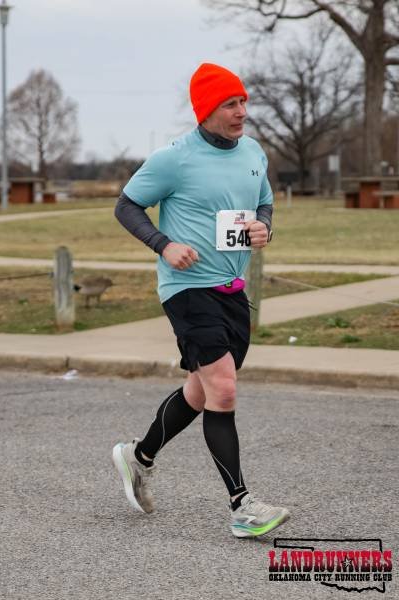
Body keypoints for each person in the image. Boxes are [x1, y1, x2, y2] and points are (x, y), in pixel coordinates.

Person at [112, 63, 290, 538]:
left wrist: (264, 227)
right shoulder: (175, 158)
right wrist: (164, 244)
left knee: (200, 390)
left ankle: (139, 457)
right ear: (207, 110)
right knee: (223, 390)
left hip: (232, 289)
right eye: (231, 104)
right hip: (187, 288)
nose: (242, 112)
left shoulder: (253, 152)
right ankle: (242, 506)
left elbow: (264, 201)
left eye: (243, 101)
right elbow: (127, 205)